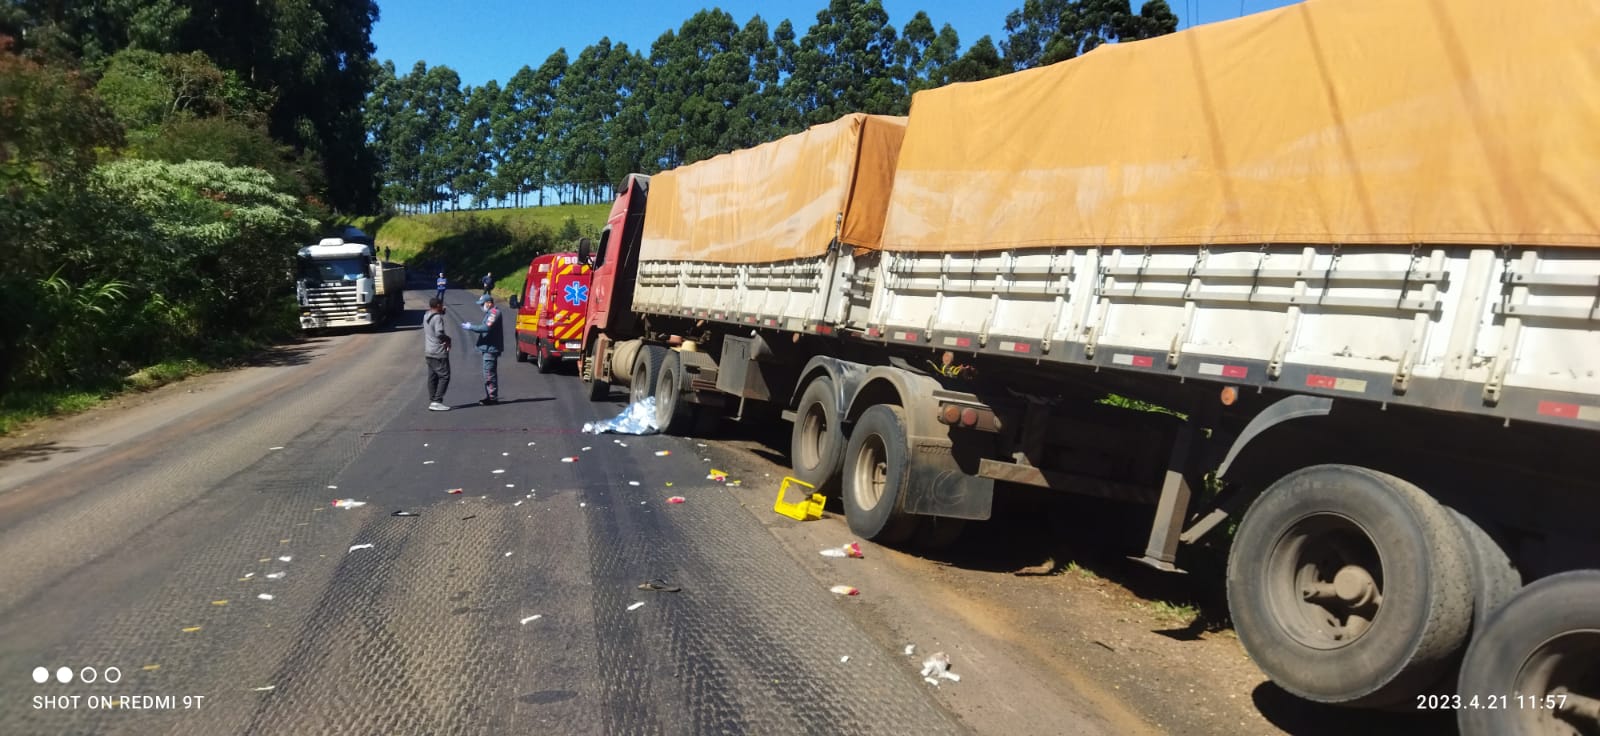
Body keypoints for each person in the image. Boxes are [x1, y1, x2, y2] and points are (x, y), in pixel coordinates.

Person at [462, 294, 504, 405]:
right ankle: (490, 396)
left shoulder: (494, 313)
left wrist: (471, 327)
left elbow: (486, 327)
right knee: (488, 373)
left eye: (482, 304)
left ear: (489, 303)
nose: (481, 306)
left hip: (491, 348)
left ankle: (492, 398)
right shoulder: (490, 313)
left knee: (489, 374)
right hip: (488, 347)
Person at [423, 297, 452, 411]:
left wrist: (440, 313)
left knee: (432, 376)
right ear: (439, 305)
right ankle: (437, 400)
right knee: (445, 376)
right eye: (441, 305)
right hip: (438, 352)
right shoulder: (438, 318)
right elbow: (439, 333)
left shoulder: (426, 315)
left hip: (429, 351)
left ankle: (432, 400)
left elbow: (433, 322)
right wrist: (448, 339)